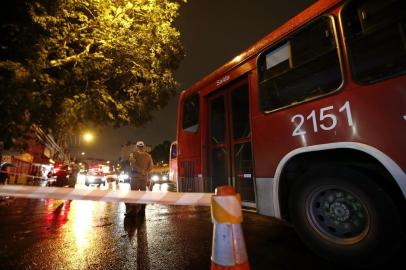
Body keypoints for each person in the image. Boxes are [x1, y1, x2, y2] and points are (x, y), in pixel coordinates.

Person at [126, 141, 153, 216]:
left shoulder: (133, 154)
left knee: (134, 193)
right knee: (143, 193)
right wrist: (145, 172)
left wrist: (141, 171)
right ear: (143, 146)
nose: (140, 147)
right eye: (140, 146)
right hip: (144, 177)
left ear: (136, 146)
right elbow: (151, 166)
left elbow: (133, 164)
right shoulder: (148, 156)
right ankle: (142, 210)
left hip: (135, 177)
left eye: (140, 146)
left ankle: (132, 210)